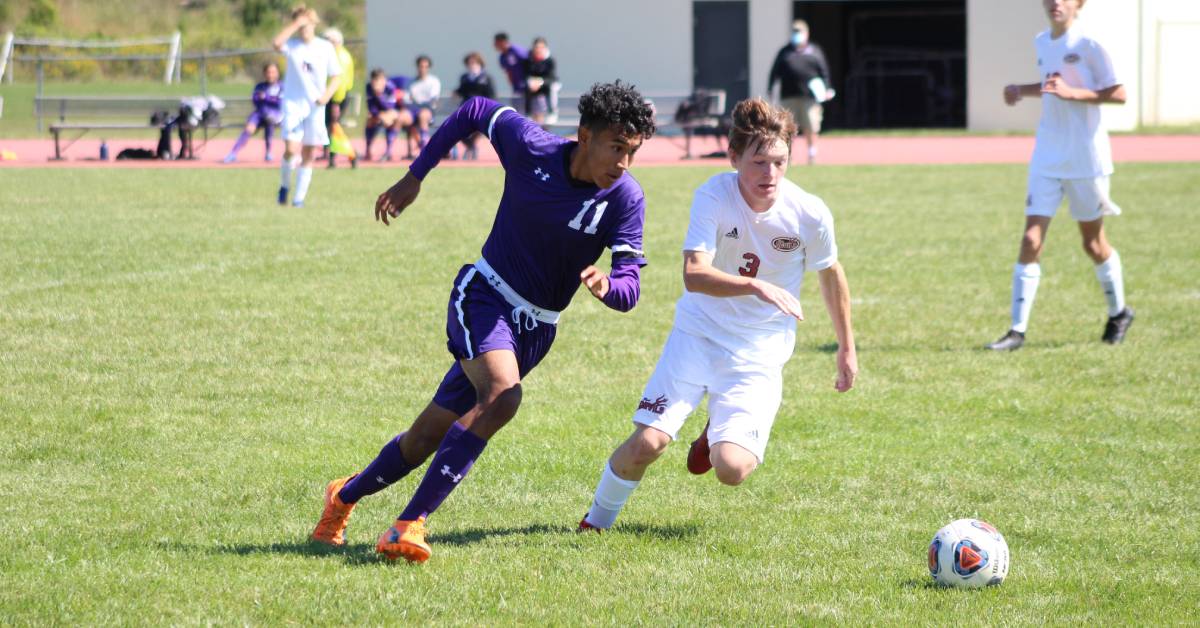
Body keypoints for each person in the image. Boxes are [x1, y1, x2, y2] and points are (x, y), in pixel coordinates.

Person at [309, 82, 657, 564]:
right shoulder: (531, 145)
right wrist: (416, 175)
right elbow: (473, 108)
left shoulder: (625, 197)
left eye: (633, 152)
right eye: (616, 148)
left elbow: (629, 289)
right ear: (584, 135)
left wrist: (607, 288)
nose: (623, 163)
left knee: (425, 437)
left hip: (537, 331)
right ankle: (407, 526)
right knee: (503, 396)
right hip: (484, 295)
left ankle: (342, 497)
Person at [577, 98, 857, 532]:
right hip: (698, 334)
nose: (771, 175)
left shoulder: (809, 213)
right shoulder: (713, 194)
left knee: (732, 469)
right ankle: (594, 523)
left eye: (780, 162)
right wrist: (754, 284)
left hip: (758, 351)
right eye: (759, 162)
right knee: (649, 441)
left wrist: (846, 348)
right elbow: (694, 274)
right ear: (733, 157)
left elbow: (830, 273)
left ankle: (714, 434)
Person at [986, 0, 1133, 351]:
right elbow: (1052, 85)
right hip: (1047, 157)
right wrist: (1022, 90)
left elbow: (1119, 94)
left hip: (1086, 160)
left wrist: (1073, 94)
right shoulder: (1042, 42)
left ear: (1078, 4)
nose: (1055, 3)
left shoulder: (1090, 44)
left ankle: (1119, 312)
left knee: (1093, 243)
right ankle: (1016, 331)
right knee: (1031, 240)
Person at [272, 5, 342, 208]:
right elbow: (277, 43)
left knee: (309, 153)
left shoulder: (324, 47)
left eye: (307, 23)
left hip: (315, 107)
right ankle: (285, 185)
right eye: (301, 24)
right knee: (291, 149)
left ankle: (298, 199)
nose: (304, 28)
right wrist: (295, 23)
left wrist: (326, 96)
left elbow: (336, 76)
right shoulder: (292, 45)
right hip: (293, 104)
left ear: (314, 24)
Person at [768, 20, 832, 165]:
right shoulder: (785, 52)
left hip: (809, 97)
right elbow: (774, 72)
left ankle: (812, 154)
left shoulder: (814, 51)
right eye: (795, 32)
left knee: (811, 126)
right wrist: (771, 88)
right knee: (787, 128)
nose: (797, 35)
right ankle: (788, 156)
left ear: (806, 33)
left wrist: (827, 88)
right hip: (788, 96)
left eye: (800, 32)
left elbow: (824, 72)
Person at [222, 62, 283, 163]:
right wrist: (268, 100)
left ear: (277, 73)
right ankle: (233, 153)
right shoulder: (260, 86)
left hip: (275, 115)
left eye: (273, 72)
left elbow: (280, 103)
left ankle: (268, 152)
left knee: (270, 122)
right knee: (249, 128)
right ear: (264, 73)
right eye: (268, 72)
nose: (270, 75)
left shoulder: (282, 87)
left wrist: (266, 97)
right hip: (259, 113)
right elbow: (256, 100)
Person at [323, 27, 357, 169]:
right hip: (332, 96)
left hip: (337, 97)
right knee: (331, 127)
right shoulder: (336, 55)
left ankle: (350, 154)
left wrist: (336, 102)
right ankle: (334, 155)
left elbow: (340, 82)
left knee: (334, 127)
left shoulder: (340, 57)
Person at [452, 52, 497, 159]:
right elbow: (462, 91)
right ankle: (471, 146)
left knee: (478, 128)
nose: (472, 65)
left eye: (474, 62)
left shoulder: (486, 78)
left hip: (481, 109)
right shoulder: (465, 78)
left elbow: (491, 95)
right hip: (466, 108)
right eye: (469, 63)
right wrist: (456, 92)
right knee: (457, 129)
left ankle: (471, 147)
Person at [364, 69, 413, 162]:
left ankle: (388, 152)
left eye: (379, 80)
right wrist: (378, 115)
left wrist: (379, 95)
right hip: (380, 113)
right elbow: (370, 106)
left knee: (390, 118)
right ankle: (368, 150)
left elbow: (390, 106)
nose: (376, 83)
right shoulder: (369, 87)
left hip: (395, 111)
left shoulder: (390, 87)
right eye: (374, 80)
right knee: (370, 119)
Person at [405, 55, 441, 155]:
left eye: (425, 67)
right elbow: (407, 99)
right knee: (403, 118)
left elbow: (432, 100)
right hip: (413, 110)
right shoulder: (411, 82)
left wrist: (420, 103)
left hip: (428, 111)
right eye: (421, 66)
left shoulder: (434, 81)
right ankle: (390, 151)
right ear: (417, 67)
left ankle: (425, 149)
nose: (423, 69)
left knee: (423, 115)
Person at [522, 37, 558, 125]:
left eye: (541, 47)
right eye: (536, 47)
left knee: (553, 88)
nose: (538, 50)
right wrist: (531, 82)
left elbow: (552, 78)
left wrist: (540, 82)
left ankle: (552, 113)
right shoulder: (528, 61)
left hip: (546, 84)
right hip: (533, 85)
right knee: (526, 88)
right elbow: (526, 75)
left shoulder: (550, 61)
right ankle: (528, 113)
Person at [493, 32, 528, 110]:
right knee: (518, 108)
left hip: (527, 85)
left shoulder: (516, 51)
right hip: (517, 87)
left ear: (502, 42)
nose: (495, 46)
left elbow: (529, 64)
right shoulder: (502, 57)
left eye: (496, 43)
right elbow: (508, 72)